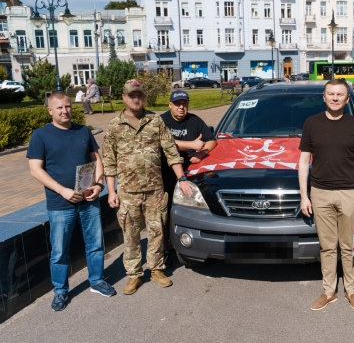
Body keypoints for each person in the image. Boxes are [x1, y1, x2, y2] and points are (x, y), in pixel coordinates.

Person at [102, 80, 194, 295]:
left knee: (157, 231)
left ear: (144, 97)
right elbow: (109, 159)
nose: (136, 99)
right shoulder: (115, 125)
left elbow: (171, 151)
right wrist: (111, 190)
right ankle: (134, 275)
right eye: (132, 95)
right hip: (127, 191)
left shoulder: (156, 121)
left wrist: (182, 178)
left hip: (155, 190)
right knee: (131, 235)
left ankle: (156, 269)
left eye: (140, 95)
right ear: (124, 97)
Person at [27, 92, 116, 311]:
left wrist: (98, 185)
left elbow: (97, 160)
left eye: (67, 106)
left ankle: (96, 280)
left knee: (95, 244)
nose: (65, 111)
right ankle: (60, 291)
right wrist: (62, 191)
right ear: (49, 110)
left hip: (89, 200)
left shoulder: (83, 131)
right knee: (59, 251)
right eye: (59, 108)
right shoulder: (41, 136)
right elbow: (35, 170)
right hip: (60, 204)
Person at [299, 79, 354, 312]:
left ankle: (351, 291)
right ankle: (328, 291)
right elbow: (303, 162)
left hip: (351, 192)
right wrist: (304, 196)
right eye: (330, 93)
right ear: (324, 96)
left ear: (347, 99)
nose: (335, 98)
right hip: (320, 193)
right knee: (328, 246)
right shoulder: (311, 123)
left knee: (351, 245)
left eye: (340, 94)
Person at [160, 90, 217, 266]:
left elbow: (212, 141)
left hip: (190, 176)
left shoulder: (195, 121)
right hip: (165, 175)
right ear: (170, 105)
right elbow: (162, 142)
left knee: (187, 213)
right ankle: (165, 249)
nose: (181, 107)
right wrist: (190, 145)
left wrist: (201, 152)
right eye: (177, 104)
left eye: (184, 103)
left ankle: (187, 245)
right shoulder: (161, 121)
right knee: (164, 215)